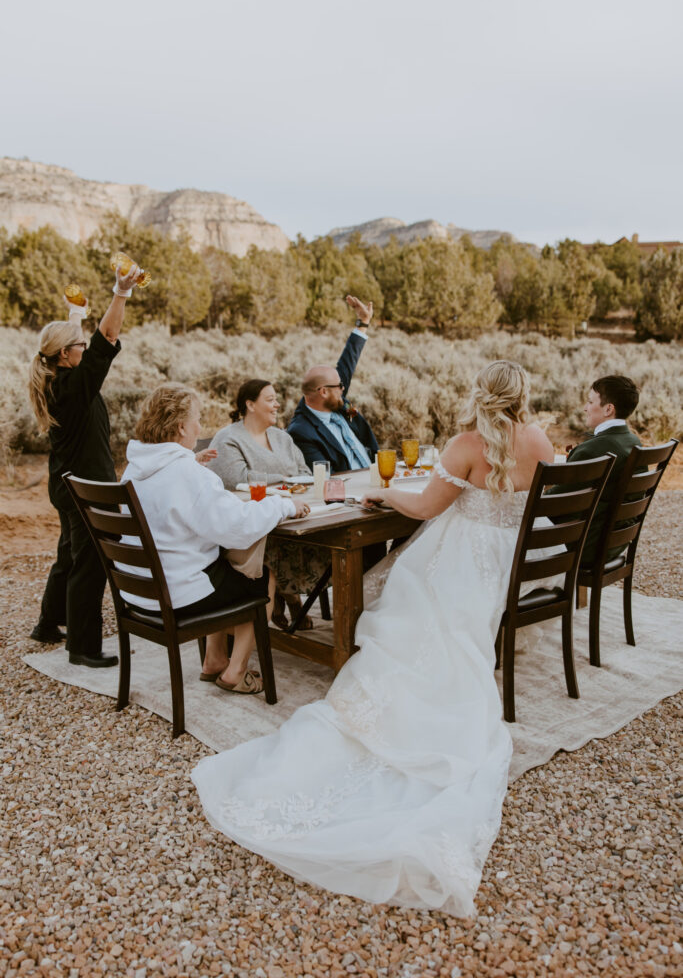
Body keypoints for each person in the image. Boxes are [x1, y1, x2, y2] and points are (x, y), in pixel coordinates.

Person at [192, 361, 555, 914]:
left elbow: (428, 507)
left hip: (466, 561)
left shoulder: (465, 444)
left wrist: (387, 499)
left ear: (480, 393)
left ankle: (360, 659)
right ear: (523, 394)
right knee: (407, 581)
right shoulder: (539, 440)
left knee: (405, 582)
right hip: (509, 561)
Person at [120, 383, 311, 693]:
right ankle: (235, 672)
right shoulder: (185, 474)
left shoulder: (135, 469)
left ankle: (214, 659)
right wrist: (284, 505)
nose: (200, 425)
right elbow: (237, 526)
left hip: (140, 594)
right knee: (263, 580)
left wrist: (191, 465)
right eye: (196, 418)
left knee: (226, 566)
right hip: (178, 596)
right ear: (181, 426)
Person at [28, 264, 143, 666]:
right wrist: (121, 292)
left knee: (69, 555)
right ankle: (83, 647)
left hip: (66, 484)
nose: (85, 348)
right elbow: (107, 337)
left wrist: (75, 312)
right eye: (78, 344)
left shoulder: (57, 379)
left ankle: (48, 623)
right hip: (86, 489)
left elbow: (81, 341)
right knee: (89, 565)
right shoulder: (75, 386)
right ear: (66, 355)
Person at [208, 380, 326, 631]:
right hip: (252, 523)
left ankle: (288, 595)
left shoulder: (282, 437)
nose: (277, 404)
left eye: (276, 399)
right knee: (273, 545)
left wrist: (287, 482)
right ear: (250, 404)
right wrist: (285, 479)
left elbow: (304, 471)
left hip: (294, 513)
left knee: (328, 538)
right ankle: (290, 597)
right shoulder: (228, 439)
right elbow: (237, 479)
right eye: (270, 399)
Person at [551, 375, 640, 564]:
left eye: (590, 401)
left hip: (586, 547)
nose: (585, 407)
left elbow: (554, 505)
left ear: (608, 409)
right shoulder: (633, 442)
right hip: (615, 543)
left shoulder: (592, 450)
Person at [287, 295, 379, 472]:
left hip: (379, 476)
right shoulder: (302, 432)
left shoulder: (330, 400)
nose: (343, 389)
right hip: (354, 492)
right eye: (340, 387)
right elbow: (327, 479)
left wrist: (363, 322)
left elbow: (347, 363)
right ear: (323, 392)